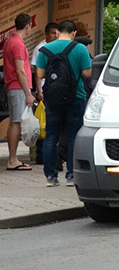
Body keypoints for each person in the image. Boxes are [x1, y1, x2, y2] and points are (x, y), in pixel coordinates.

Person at [34, 19, 92, 187]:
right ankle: (71, 175)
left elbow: (40, 73)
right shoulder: (80, 48)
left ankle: (51, 177)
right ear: (74, 33)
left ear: (58, 32)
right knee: (73, 136)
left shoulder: (46, 49)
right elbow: (87, 74)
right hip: (76, 97)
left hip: (52, 98)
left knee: (51, 136)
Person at [4, 13, 36, 171]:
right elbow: (20, 70)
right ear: (28, 26)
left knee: (14, 122)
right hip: (18, 87)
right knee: (16, 122)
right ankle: (12, 159)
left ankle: (13, 158)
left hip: (13, 86)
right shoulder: (18, 44)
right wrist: (28, 93)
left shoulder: (10, 41)